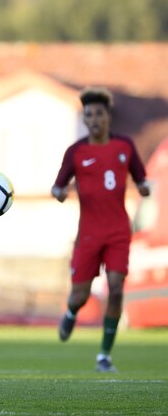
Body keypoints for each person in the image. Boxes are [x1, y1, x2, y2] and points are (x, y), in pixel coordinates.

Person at [52, 86, 150, 373]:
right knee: (80, 295)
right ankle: (71, 312)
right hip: (89, 234)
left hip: (119, 230)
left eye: (99, 114)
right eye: (89, 115)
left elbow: (141, 179)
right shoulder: (76, 152)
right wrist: (59, 191)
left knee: (117, 288)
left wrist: (144, 187)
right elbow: (58, 185)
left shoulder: (125, 147)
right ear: (85, 119)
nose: (94, 119)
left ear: (108, 117)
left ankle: (104, 355)